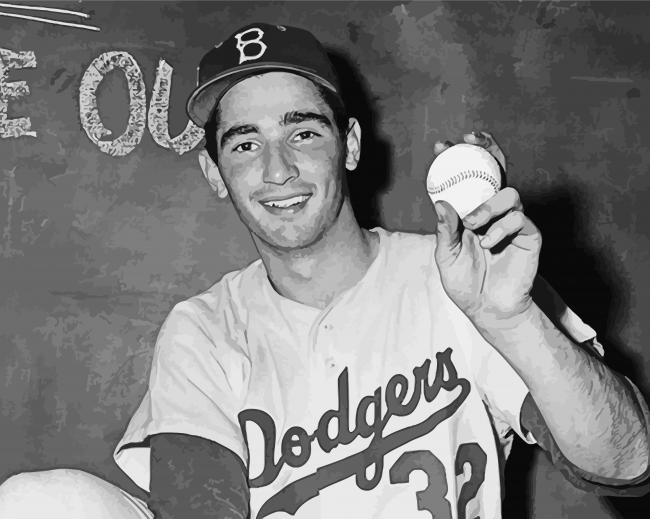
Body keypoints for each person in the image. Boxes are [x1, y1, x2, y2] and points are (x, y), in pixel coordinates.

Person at [1, 21, 650, 519]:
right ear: (215, 173)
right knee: (39, 503)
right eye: (245, 143)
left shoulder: (456, 275)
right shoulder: (203, 331)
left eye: (303, 132)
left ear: (351, 145)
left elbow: (629, 461)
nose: (277, 168)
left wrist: (511, 320)